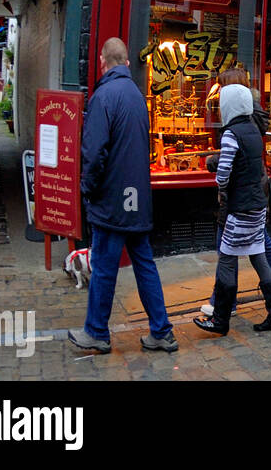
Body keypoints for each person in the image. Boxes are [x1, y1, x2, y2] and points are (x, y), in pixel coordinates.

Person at [69, 38, 177, 354]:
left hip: (113, 199)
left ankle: (97, 333)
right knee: (144, 264)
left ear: (103, 61)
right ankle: (162, 331)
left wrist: (87, 190)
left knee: (103, 266)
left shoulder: (104, 96)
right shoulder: (136, 95)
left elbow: (94, 152)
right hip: (136, 197)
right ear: (127, 63)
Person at [199, 67, 271, 318]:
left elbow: (234, 159)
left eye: (223, 87)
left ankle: (223, 304)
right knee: (259, 246)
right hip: (255, 191)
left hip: (240, 193)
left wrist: (216, 167)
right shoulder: (253, 118)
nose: (220, 93)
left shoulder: (239, 122)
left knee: (227, 247)